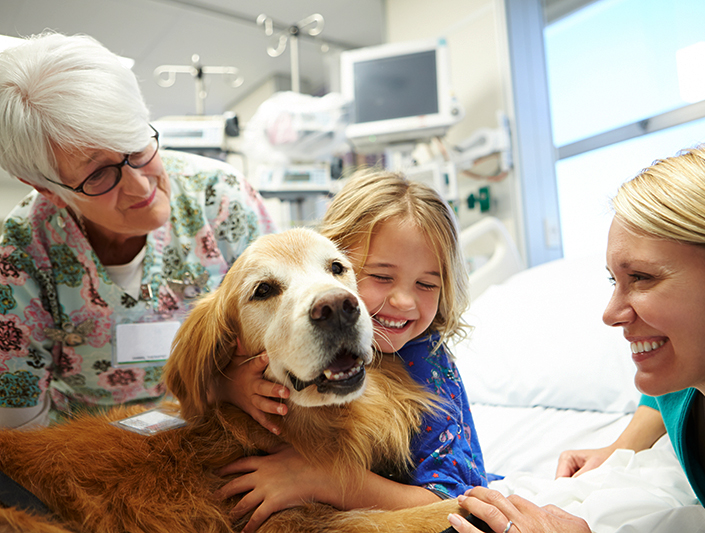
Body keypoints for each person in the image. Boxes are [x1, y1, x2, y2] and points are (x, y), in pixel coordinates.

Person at [446, 140, 705, 533]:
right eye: (614, 281)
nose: (611, 314)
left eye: (643, 278)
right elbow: (662, 395)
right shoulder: (688, 388)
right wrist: (621, 446)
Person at [0, 32, 283, 428]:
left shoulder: (220, 199)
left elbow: (287, 330)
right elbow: (20, 422)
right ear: (49, 190)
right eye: (98, 175)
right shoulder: (23, 254)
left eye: (136, 148)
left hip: (224, 425)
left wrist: (223, 388)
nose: (141, 186)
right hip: (90, 449)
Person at [214, 169, 489, 533]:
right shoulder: (313, 326)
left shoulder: (428, 367)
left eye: (426, 284)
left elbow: (456, 505)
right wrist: (227, 384)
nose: (404, 301)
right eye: (380, 277)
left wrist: (324, 478)